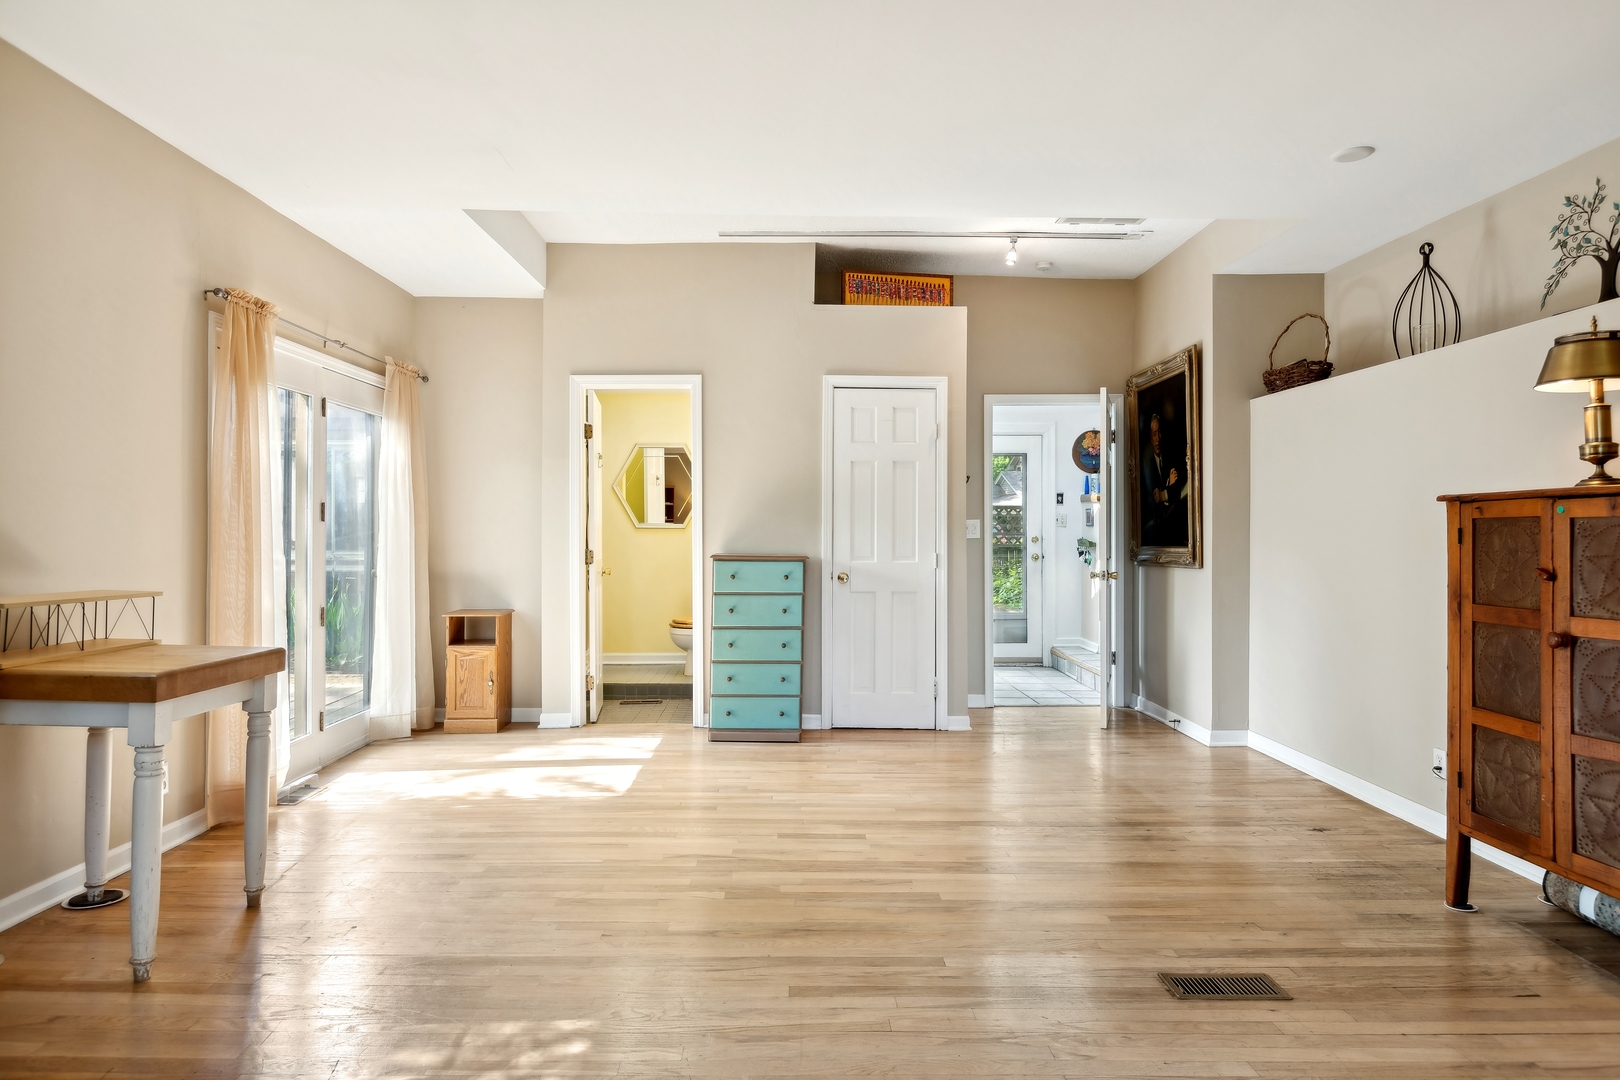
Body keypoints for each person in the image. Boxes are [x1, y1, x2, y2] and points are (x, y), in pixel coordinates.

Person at [1141, 413, 1186, 546]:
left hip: (1171, 528)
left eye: (1159, 432)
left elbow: (1177, 490)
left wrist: (1163, 495)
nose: (1158, 439)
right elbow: (1153, 502)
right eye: (1154, 434)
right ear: (1150, 437)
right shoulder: (1147, 465)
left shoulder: (1169, 458)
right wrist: (1168, 491)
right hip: (1155, 531)